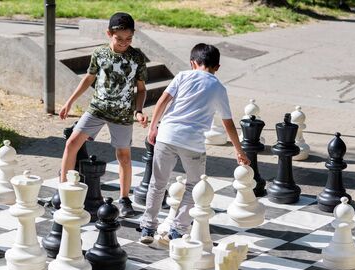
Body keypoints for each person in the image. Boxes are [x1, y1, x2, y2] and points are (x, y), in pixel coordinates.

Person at [139, 43, 250, 244]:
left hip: (167, 135)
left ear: (193, 63)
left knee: (157, 183)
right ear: (217, 67)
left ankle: (148, 227)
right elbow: (228, 123)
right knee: (194, 186)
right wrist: (239, 150)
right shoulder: (218, 87)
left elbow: (162, 101)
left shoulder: (182, 76)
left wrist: (153, 127)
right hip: (192, 142)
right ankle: (177, 229)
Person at [59, 12, 148, 218]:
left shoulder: (137, 58)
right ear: (109, 34)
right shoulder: (99, 54)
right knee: (71, 144)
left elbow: (141, 89)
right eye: (119, 39)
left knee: (124, 157)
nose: (124, 43)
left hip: (123, 114)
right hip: (97, 108)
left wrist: (139, 110)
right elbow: (88, 79)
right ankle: (64, 189)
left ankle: (124, 199)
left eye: (129, 39)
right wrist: (69, 102)